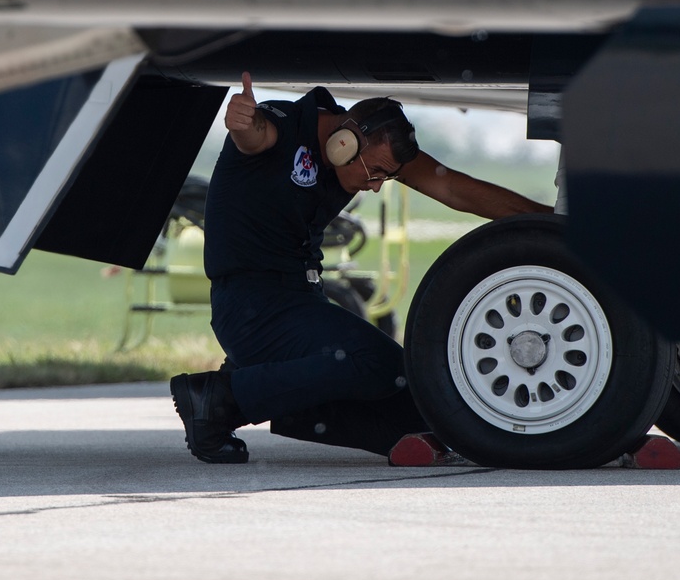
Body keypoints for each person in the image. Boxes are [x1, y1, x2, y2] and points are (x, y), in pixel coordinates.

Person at [171, 72, 553, 464]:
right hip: (252, 305)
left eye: (385, 177)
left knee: (419, 395)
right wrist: (243, 123)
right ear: (342, 143)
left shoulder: (371, 149)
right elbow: (256, 135)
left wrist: (552, 221)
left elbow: (453, 188)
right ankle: (219, 399)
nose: (375, 186)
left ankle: (386, 431)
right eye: (375, 173)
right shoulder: (284, 128)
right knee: (377, 365)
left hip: (299, 302)